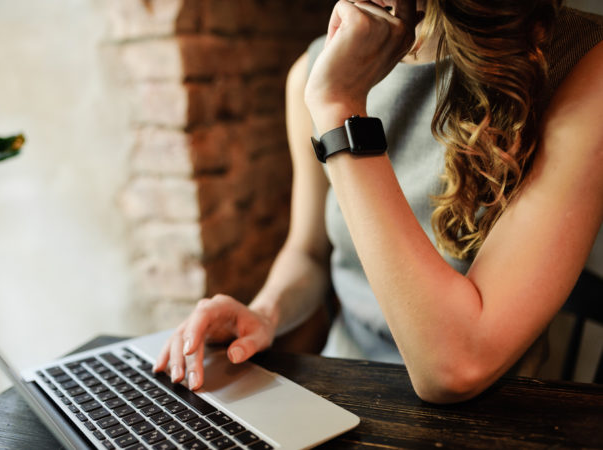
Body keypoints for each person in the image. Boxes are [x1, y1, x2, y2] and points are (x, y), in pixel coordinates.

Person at [154, 0, 603, 403]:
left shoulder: (582, 59)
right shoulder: (313, 71)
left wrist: (340, 109)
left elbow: (455, 367)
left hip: (486, 418)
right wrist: (264, 312)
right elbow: (308, 253)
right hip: (341, 390)